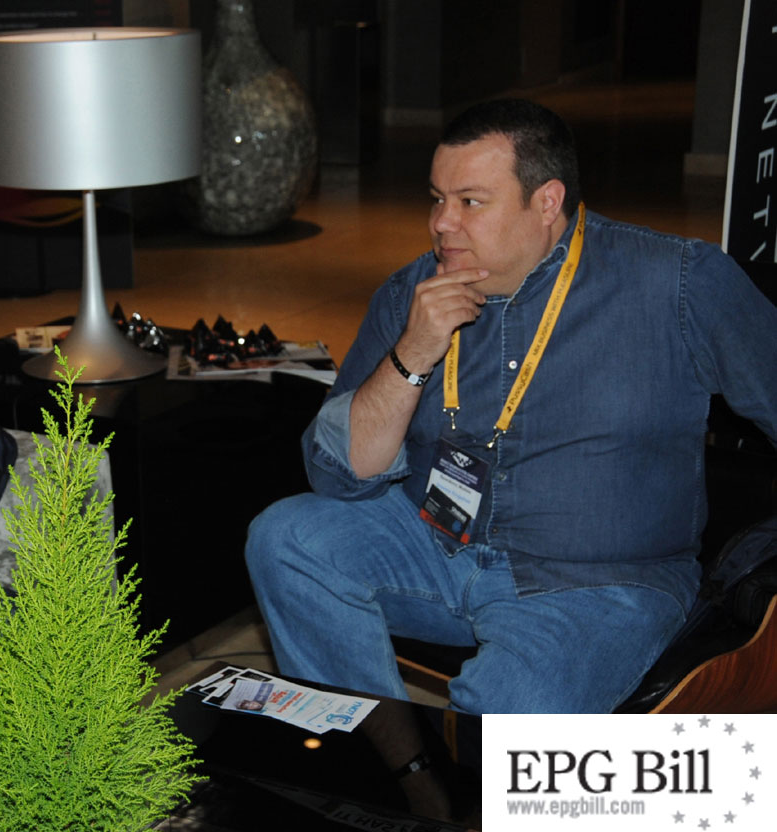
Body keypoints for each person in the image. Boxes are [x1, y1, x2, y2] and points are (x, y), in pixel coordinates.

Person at [245, 98, 777, 714]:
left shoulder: (679, 283)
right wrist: (413, 353)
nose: (442, 223)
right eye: (437, 199)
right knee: (287, 538)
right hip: (433, 546)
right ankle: (383, 750)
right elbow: (340, 474)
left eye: (470, 202)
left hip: (595, 582)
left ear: (546, 202)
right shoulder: (410, 293)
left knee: (502, 716)